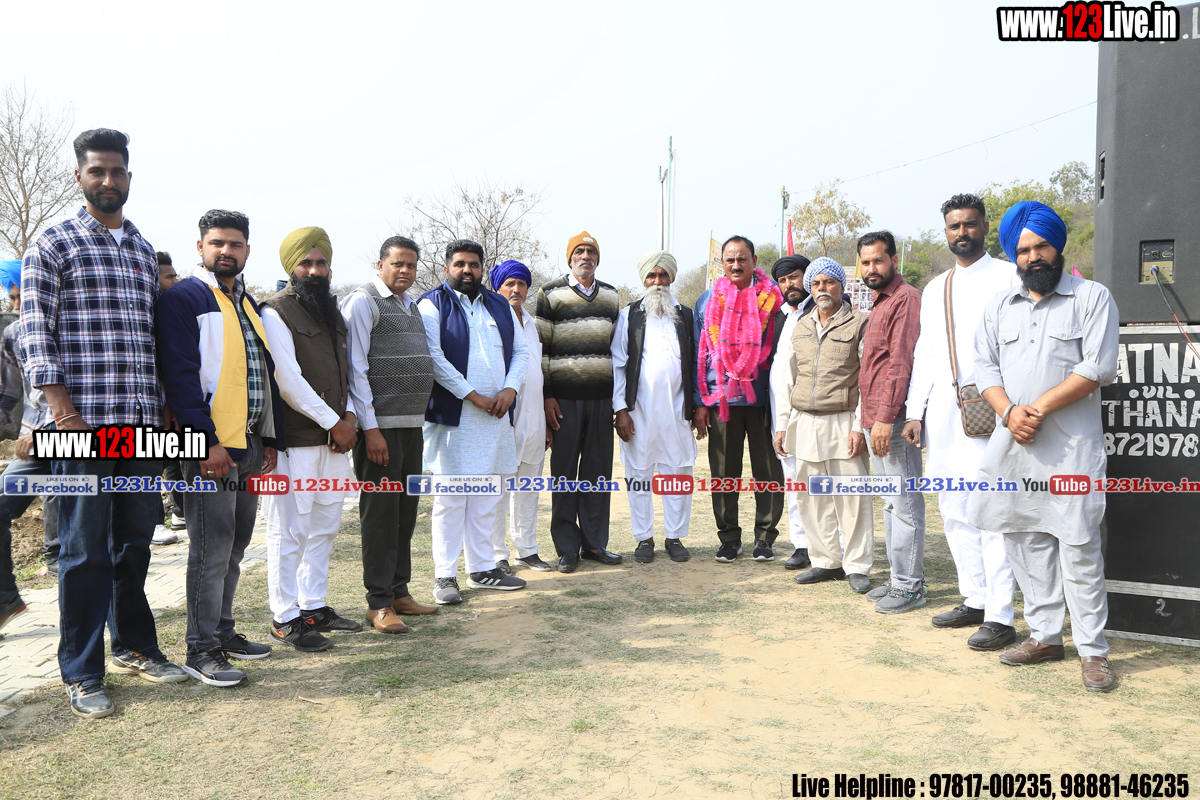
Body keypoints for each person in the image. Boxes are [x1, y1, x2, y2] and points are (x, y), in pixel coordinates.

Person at [21, 128, 187, 718]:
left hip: (139, 425)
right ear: (80, 176)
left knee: (135, 543)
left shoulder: (142, 249)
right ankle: (82, 671)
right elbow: (34, 333)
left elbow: (151, 336)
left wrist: (164, 405)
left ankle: (136, 646)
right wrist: (60, 409)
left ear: (129, 177)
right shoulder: (53, 244)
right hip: (81, 426)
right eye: (97, 171)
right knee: (83, 551)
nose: (108, 181)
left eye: (117, 171)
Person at [970, 201, 1119, 692]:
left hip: (1072, 452)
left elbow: (1097, 367)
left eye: (1042, 246)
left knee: (1079, 548)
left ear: (1058, 247)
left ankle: (1093, 651)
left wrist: (1035, 409)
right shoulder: (999, 306)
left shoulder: (1092, 297)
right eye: (1024, 250)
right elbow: (984, 368)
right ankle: (1045, 636)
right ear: (1013, 255)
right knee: (1025, 541)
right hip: (1015, 449)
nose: (1034, 257)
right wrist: (1008, 412)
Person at [156, 209, 282, 686]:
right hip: (211, 448)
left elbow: (260, 374)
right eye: (217, 243)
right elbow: (180, 377)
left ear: (247, 250)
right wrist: (204, 442)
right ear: (200, 248)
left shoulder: (245, 302)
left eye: (235, 244)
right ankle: (201, 649)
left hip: (248, 442)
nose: (226, 251)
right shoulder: (185, 298)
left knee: (235, 545)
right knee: (210, 549)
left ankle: (224, 633)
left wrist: (268, 437)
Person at [902, 194, 1019, 651]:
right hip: (947, 415)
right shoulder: (937, 287)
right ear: (946, 232)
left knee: (994, 514)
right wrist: (915, 411)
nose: (962, 232)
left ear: (985, 227)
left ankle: (1001, 614)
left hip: (996, 412)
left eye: (970, 224)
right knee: (954, 511)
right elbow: (926, 353)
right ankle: (974, 597)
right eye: (954, 226)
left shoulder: (1009, 275)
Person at [260, 227, 362, 650]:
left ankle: (313, 606)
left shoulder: (332, 312)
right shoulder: (275, 312)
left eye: (321, 263)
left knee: (324, 526)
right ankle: (284, 618)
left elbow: (347, 371)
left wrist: (350, 415)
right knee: (289, 531)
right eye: (306, 263)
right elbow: (287, 381)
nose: (315, 270)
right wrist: (334, 422)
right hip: (296, 442)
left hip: (334, 441)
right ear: (291, 267)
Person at [419, 239, 529, 603]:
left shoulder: (499, 304)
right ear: (446, 268)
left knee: (486, 497)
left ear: (483, 268)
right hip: (455, 418)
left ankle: (482, 569)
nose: (467, 270)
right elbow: (434, 358)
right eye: (460, 264)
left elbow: (521, 351)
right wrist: (473, 395)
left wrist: (510, 389)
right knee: (451, 499)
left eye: (474, 264)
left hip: (495, 417)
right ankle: (445, 576)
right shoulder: (432, 304)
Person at [342, 235, 439, 634]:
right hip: (379, 430)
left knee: (405, 512)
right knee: (381, 515)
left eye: (411, 265)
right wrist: (371, 428)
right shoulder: (363, 301)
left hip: (412, 425)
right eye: (398, 263)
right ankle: (378, 602)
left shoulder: (410, 305)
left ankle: (399, 592)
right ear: (380, 265)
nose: (405, 270)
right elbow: (355, 369)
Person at [773, 258, 873, 593]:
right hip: (804, 421)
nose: (822, 289)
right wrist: (782, 425)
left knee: (852, 498)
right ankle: (825, 561)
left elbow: (867, 380)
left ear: (841, 286)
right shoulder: (800, 325)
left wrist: (859, 426)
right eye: (816, 284)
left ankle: (856, 565)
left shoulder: (859, 323)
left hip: (843, 420)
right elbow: (788, 379)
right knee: (812, 498)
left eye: (829, 282)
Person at [534, 232, 622, 573]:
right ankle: (567, 548)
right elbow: (541, 350)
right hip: (564, 400)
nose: (586, 256)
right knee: (565, 473)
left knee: (598, 472)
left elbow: (615, 349)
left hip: (601, 399)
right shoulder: (550, 293)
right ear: (570, 258)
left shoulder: (612, 296)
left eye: (591, 252)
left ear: (598, 258)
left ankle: (595, 543)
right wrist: (547, 396)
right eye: (579, 252)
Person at [694, 236, 785, 563]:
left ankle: (765, 537)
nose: (736, 265)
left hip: (763, 401)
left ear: (754, 261)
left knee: (768, 472)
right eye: (730, 259)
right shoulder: (707, 300)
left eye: (742, 258)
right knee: (723, 472)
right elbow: (699, 353)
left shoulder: (772, 299)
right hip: (722, 401)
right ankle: (729, 538)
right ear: (721, 263)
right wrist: (700, 402)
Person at [856, 231, 927, 614]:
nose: (871, 268)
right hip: (875, 418)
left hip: (893, 421)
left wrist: (885, 419)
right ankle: (899, 577)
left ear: (894, 261)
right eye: (865, 262)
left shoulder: (906, 299)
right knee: (890, 502)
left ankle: (910, 586)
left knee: (905, 503)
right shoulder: (880, 301)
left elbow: (901, 363)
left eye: (878, 260)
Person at [612, 250, 697, 563]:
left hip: (677, 410)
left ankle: (674, 536)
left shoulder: (685, 315)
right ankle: (644, 539)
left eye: (663, 275)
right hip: (640, 412)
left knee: (678, 472)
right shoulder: (629, 316)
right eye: (651, 275)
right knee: (639, 474)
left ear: (671, 277)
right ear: (643, 279)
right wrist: (620, 410)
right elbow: (618, 365)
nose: (657, 281)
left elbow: (696, 363)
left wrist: (699, 406)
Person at [488, 259, 553, 573]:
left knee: (528, 488)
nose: (516, 289)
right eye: (509, 284)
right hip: (503, 418)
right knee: (498, 491)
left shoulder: (531, 323)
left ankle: (526, 550)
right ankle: (496, 554)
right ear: (497, 287)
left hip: (534, 419)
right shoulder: (490, 320)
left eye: (521, 284)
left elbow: (536, 373)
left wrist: (544, 421)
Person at [768, 255, 812, 570]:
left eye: (794, 277)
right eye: (782, 281)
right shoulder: (782, 316)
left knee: (817, 481)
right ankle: (801, 545)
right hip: (780, 416)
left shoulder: (818, 312)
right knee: (793, 480)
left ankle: (827, 547)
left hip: (811, 413)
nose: (789, 285)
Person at [154, 250, 186, 543]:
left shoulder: (174, 312)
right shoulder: (146, 317)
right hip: (149, 405)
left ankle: (179, 513)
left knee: (174, 461)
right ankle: (155, 522)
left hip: (170, 403)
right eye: (169, 277)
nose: (175, 281)